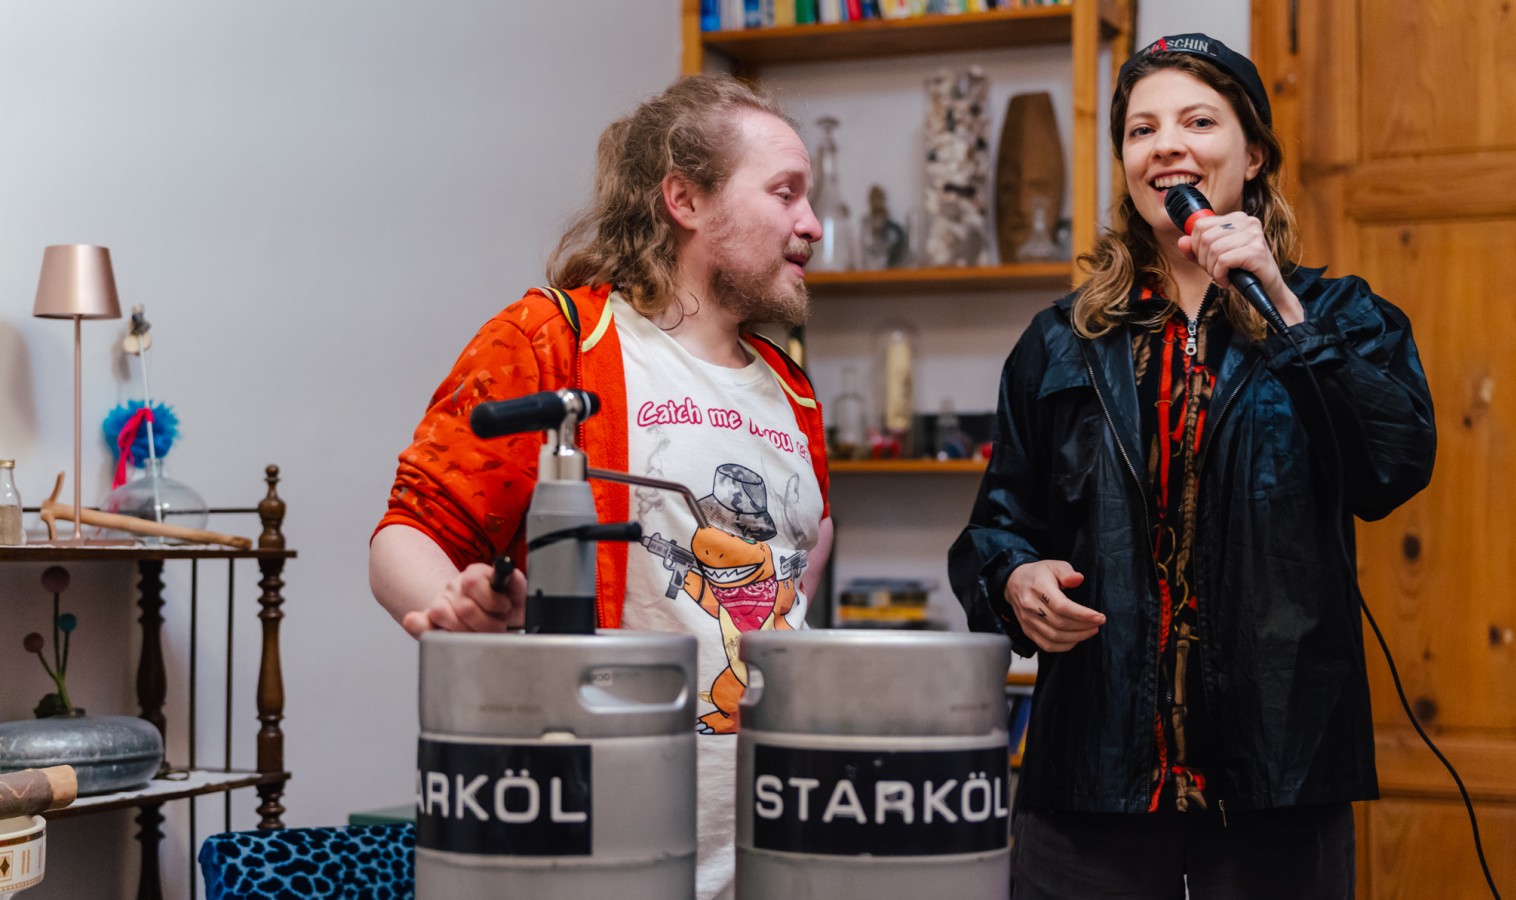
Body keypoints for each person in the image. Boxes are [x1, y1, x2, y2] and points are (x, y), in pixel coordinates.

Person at [948, 33, 1435, 899]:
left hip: (1278, 779)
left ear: (1253, 155)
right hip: (1091, 778)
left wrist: (1283, 308)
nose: (1165, 145)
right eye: (1142, 130)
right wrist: (1015, 578)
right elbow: (995, 527)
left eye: (1198, 121)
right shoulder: (1059, 340)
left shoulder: (1344, 316)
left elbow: (1392, 466)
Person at [369, 73, 833, 900]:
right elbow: (408, 533)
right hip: (598, 845)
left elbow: (804, 551)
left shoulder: (790, 389)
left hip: (769, 847)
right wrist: (457, 612)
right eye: (785, 193)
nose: (813, 225)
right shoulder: (556, 341)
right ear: (685, 200)